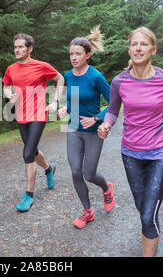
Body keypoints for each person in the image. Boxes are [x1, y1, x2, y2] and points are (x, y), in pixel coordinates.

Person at [97, 27, 163, 256]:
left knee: (148, 215)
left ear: (153, 49)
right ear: (129, 49)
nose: (138, 48)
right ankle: (152, 235)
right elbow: (112, 110)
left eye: (143, 44)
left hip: (161, 153)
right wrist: (107, 124)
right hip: (131, 154)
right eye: (134, 44)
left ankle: (149, 247)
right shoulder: (120, 82)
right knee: (143, 208)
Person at [57, 25, 115, 229]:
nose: (73, 57)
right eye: (71, 54)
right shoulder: (68, 75)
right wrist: (65, 107)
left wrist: (97, 119)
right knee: (75, 171)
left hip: (92, 132)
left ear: (87, 55)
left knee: (89, 174)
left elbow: (114, 103)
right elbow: (73, 98)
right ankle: (87, 211)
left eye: (78, 54)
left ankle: (106, 188)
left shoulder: (96, 77)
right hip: (73, 128)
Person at [3, 33, 65, 212]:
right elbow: (6, 86)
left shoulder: (41, 66)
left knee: (28, 153)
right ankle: (48, 169)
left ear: (30, 49)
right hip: (21, 116)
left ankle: (28, 195)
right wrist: (9, 94)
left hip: (38, 114)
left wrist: (55, 101)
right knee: (33, 150)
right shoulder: (11, 69)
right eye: (15, 47)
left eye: (21, 47)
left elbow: (60, 78)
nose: (17, 50)